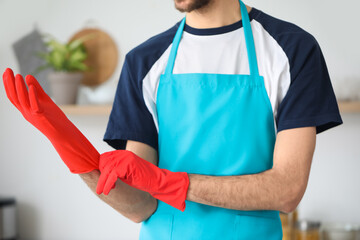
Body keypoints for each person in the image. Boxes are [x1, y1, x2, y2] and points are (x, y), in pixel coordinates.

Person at [2, 0, 343, 239]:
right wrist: (69, 146)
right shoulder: (144, 62)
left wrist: (169, 182)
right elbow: (139, 205)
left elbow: (287, 190)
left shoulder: (293, 50)